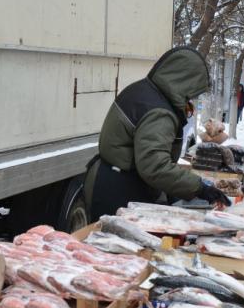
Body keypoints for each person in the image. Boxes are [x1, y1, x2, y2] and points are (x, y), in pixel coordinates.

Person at [84, 46, 231, 220]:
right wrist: (199, 187)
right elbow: (154, 166)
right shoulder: (159, 111)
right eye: (191, 94)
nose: (190, 100)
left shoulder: (147, 91)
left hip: (115, 178)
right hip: (117, 189)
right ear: (184, 82)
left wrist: (176, 187)